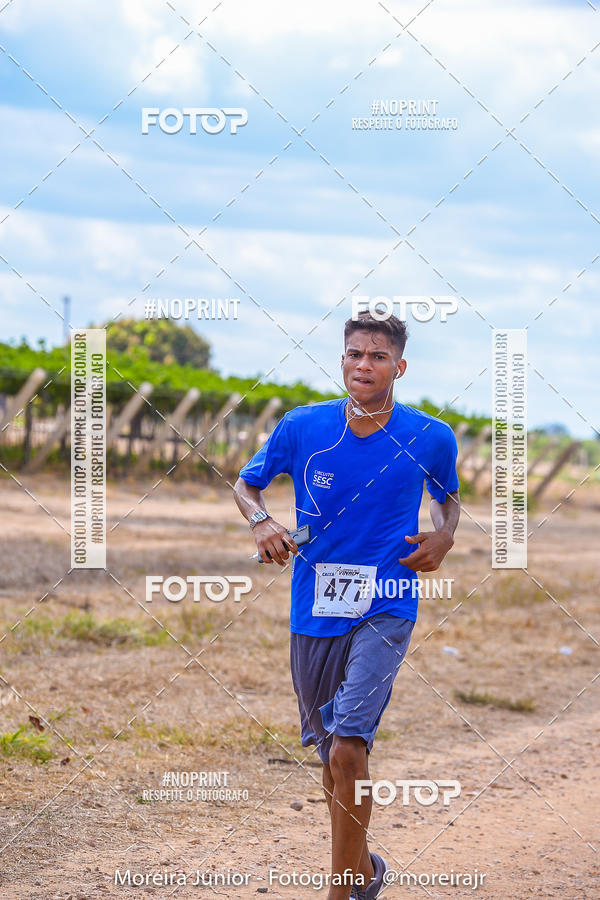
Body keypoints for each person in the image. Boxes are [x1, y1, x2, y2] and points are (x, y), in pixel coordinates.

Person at [233, 311, 460, 900]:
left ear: (399, 367)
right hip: (315, 606)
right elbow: (246, 484)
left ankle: (340, 893)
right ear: (342, 361)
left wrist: (444, 536)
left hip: (388, 600)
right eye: (356, 354)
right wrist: (261, 522)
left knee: (350, 741)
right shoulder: (302, 427)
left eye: (378, 357)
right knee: (331, 755)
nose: (365, 365)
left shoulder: (431, 436)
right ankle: (362, 870)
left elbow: (446, 500)